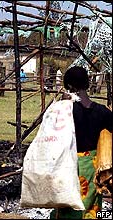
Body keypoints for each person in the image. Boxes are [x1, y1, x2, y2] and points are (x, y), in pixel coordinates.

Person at [50, 66, 113, 219]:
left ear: (69, 86)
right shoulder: (101, 111)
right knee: (91, 206)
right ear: (87, 84)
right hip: (92, 166)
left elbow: (50, 134)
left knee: (67, 207)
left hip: (67, 163)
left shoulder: (64, 110)